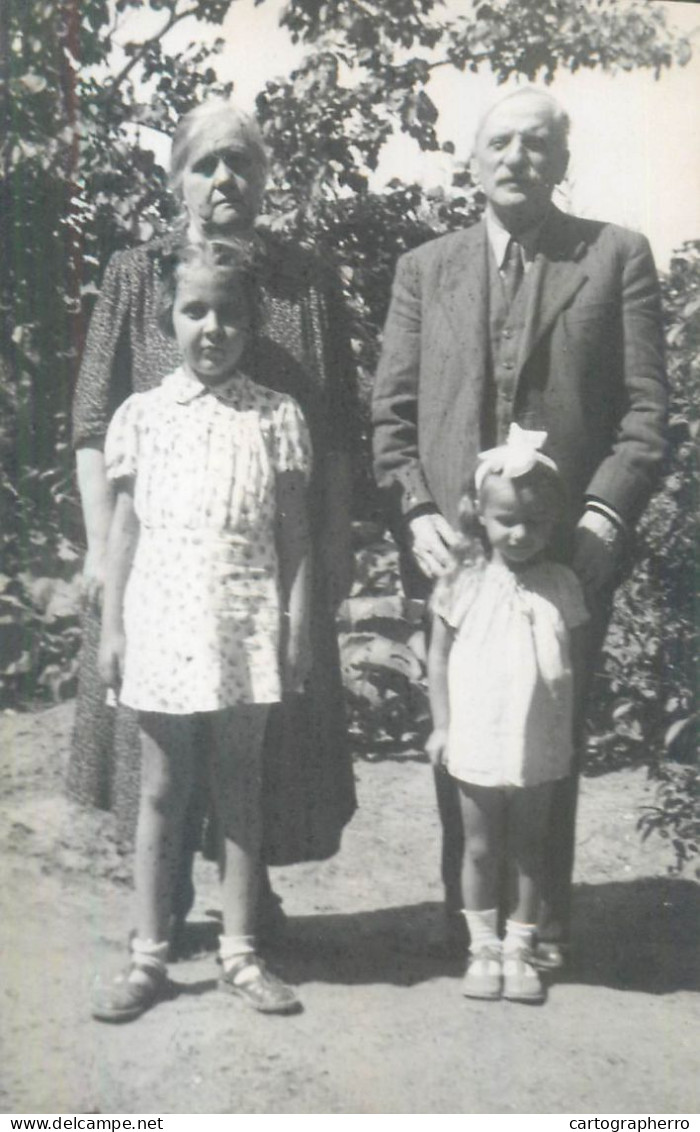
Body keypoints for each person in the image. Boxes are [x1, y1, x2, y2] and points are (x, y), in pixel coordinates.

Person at [372, 86, 668, 964]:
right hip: (454, 555)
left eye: (537, 144)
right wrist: (418, 507)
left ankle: (540, 926)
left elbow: (648, 415)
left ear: (562, 164)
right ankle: (465, 921)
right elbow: (391, 415)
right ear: (472, 161)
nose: (517, 159)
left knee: (550, 729)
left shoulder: (615, 257)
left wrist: (607, 517)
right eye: (500, 143)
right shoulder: (425, 269)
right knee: (457, 728)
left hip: (567, 552)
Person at [68, 99, 358, 929]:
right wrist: (99, 550)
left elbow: (336, 427)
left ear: (266, 177)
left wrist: (334, 544)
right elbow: (94, 420)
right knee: (159, 747)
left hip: (266, 559)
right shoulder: (135, 271)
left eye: (243, 162)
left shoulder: (305, 279)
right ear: (177, 178)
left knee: (260, 737)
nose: (225, 178)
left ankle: (246, 893)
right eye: (206, 163)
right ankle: (164, 901)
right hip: (158, 556)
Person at [91, 241, 310, 1022]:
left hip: (244, 625)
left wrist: (297, 624)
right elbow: (123, 536)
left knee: (241, 788)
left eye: (230, 312)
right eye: (195, 311)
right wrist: (112, 629)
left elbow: (294, 536)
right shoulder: (142, 417)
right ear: (168, 319)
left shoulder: (276, 416)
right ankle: (149, 954)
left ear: (252, 322)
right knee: (161, 789)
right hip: (161, 626)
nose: (213, 327)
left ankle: (241, 954)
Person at [426, 427, 589, 1002]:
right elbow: (438, 657)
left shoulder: (563, 585)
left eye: (535, 523)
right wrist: (442, 725)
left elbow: (569, 667)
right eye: (506, 521)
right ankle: (482, 947)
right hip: (476, 733)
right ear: (482, 517)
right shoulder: (463, 583)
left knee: (529, 845)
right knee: (478, 845)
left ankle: (520, 947)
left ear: (554, 523)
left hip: (539, 739)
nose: (520, 534)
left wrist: (565, 731)